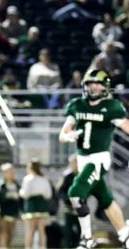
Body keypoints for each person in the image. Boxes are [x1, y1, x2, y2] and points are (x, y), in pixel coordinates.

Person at [59, 69, 129, 249]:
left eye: (98, 83)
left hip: (99, 159)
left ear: (105, 87)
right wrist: (69, 136)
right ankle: (125, 235)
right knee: (105, 199)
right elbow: (63, 133)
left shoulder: (112, 107)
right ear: (85, 86)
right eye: (91, 83)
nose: (94, 87)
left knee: (75, 194)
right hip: (82, 160)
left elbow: (127, 127)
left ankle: (86, 239)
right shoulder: (76, 105)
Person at [19, 159, 52, 249]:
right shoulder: (44, 178)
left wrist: (20, 192)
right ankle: (42, 247)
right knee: (42, 230)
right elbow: (48, 194)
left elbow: (25, 194)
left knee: (29, 230)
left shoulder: (27, 179)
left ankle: (28, 247)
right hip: (42, 206)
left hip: (31, 206)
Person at [0, 163, 21, 249]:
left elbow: (20, 198)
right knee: (3, 232)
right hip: (2, 212)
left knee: (11, 233)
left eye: (12, 171)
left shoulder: (16, 184)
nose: (12, 173)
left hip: (13, 212)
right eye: (9, 171)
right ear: (3, 173)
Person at [56, 154, 81, 248]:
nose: (76, 164)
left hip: (80, 208)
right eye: (74, 162)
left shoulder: (83, 175)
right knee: (68, 232)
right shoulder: (67, 176)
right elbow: (60, 190)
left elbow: (88, 190)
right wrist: (68, 199)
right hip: (69, 208)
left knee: (82, 232)